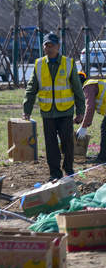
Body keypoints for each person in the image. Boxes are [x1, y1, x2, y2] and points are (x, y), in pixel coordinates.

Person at [23, 33, 86, 180]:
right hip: (48, 112)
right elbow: (31, 89)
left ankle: (69, 171)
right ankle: (55, 174)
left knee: (67, 143)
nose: (49, 48)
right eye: (46, 45)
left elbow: (77, 89)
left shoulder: (68, 63)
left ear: (58, 47)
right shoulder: (39, 64)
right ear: (43, 47)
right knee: (51, 146)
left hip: (65, 111)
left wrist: (80, 111)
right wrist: (27, 110)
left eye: (52, 45)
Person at [76, 73, 106, 164]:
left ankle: (103, 157)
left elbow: (90, 108)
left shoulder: (88, 86)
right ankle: (103, 155)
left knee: (105, 129)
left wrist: (84, 127)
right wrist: (77, 120)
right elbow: (88, 110)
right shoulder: (91, 84)